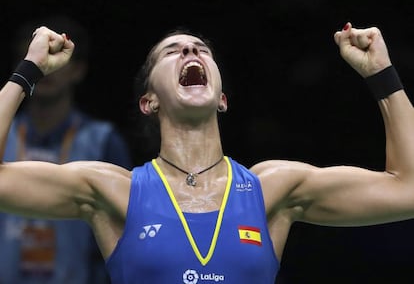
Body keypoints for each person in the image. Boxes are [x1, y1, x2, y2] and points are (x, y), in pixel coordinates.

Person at [0, 21, 413, 284]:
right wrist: (27, 71)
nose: (191, 52)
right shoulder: (113, 191)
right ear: (150, 102)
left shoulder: (272, 189)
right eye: (172, 51)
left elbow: (407, 190)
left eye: (201, 49)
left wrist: (382, 75)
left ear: (222, 100)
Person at [0, 15, 132, 284]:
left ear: (78, 69)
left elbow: (123, 230)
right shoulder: (6, 132)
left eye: (56, 54)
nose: (47, 70)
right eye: (39, 60)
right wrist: (28, 71)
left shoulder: (103, 141)